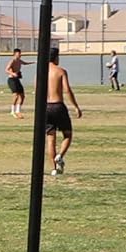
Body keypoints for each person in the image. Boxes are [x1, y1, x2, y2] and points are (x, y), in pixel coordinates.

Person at [45, 46, 83, 174]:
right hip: (58, 106)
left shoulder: (41, 72)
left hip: (46, 107)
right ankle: (60, 155)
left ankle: (53, 169)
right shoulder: (60, 71)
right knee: (68, 134)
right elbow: (67, 90)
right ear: (56, 57)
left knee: (50, 139)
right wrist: (76, 106)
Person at [6, 49, 26, 117]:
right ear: (14, 54)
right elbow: (6, 69)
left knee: (22, 95)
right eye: (18, 54)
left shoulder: (19, 61)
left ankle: (18, 111)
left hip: (17, 79)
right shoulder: (12, 61)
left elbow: (25, 63)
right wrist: (13, 73)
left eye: (20, 54)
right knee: (16, 95)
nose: (20, 55)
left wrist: (35, 62)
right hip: (11, 79)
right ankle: (12, 111)